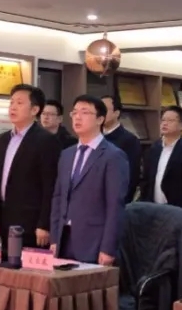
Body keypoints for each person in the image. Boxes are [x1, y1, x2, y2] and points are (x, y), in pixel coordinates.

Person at [49, 95, 129, 264]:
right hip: (64, 239)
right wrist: (54, 238)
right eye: (75, 112)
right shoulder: (67, 154)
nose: (77, 117)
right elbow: (58, 198)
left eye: (85, 112)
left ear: (100, 119)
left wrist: (108, 248)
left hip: (94, 242)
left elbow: (115, 206)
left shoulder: (113, 156)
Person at [0, 84, 60, 249]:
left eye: (19, 103)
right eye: (11, 102)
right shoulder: (2, 140)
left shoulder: (46, 141)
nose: (13, 107)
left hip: (29, 222)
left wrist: (44, 224)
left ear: (34, 110)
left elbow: (50, 186)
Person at [139, 106, 182, 220]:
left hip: (176, 211)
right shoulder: (154, 148)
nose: (165, 123)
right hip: (152, 208)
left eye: (170, 120)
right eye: (163, 120)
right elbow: (146, 180)